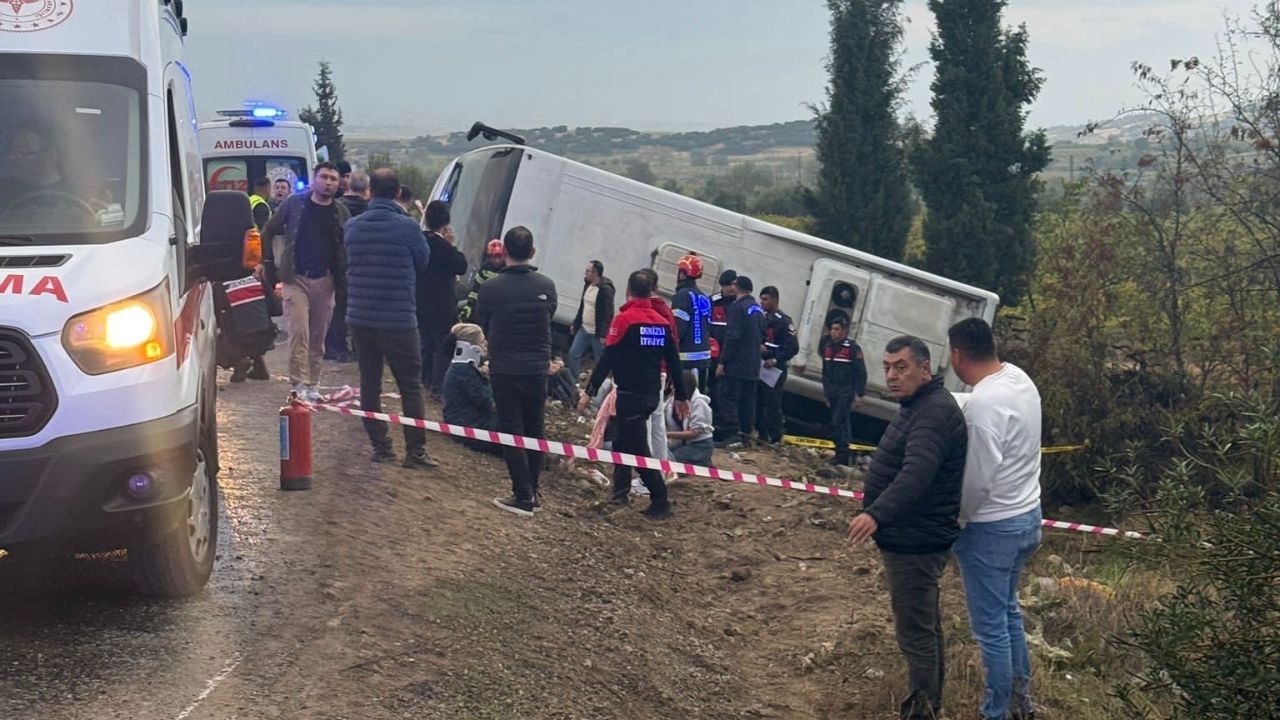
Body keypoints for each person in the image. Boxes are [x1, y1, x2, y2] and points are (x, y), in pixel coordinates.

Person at [847, 336, 968, 720]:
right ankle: (929, 705)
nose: (892, 376)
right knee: (925, 628)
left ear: (925, 369)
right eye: (886, 367)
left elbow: (917, 473)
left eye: (901, 367)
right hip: (914, 535)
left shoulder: (932, 412)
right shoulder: (918, 405)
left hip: (916, 541)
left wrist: (876, 514)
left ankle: (921, 712)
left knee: (916, 634)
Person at [947, 318, 1043, 720]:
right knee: (1007, 613)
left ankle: (996, 712)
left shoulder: (984, 404)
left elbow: (979, 478)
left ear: (956, 354)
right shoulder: (1019, 379)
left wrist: (959, 519)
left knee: (990, 631)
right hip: (1027, 514)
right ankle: (1023, 702)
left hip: (992, 526)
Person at [343, 167, 436, 468]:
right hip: (398, 318)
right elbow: (423, 262)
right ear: (398, 193)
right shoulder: (408, 227)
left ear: (370, 191)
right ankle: (415, 453)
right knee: (410, 385)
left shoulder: (353, 226)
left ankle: (381, 447)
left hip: (361, 316)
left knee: (370, 383)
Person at [580, 269, 688, 519]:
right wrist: (681, 395)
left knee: (638, 451)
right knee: (621, 441)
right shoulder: (662, 322)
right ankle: (620, 494)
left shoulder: (625, 319)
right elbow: (674, 361)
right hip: (651, 393)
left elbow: (609, 357)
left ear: (629, 290)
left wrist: (590, 390)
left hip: (630, 394)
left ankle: (661, 500)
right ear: (652, 291)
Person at [474, 226, 558, 516]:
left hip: (505, 367)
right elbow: (548, 316)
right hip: (536, 367)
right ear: (532, 252)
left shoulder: (490, 287)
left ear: (504, 252)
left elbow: (481, 321)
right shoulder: (546, 286)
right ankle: (532, 490)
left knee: (512, 430)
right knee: (535, 428)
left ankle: (522, 495)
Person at [262, 162, 349, 401]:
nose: (328, 182)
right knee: (299, 332)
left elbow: (346, 245)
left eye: (333, 178)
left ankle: (313, 384)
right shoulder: (295, 204)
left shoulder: (340, 212)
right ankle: (297, 385)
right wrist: (268, 264)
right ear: (314, 179)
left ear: (338, 183)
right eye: (324, 177)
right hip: (296, 277)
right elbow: (269, 230)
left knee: (318, 336)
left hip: (326, 280)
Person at [418, 200, 469, 396]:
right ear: (446, 222)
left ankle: (424, 378)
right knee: (442, 344)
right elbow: (461, 265)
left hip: (420, 299)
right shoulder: (444, 247)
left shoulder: (419, 241)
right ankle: (438, 385)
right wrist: (451, 244)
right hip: (442, 303)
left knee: (425, 341)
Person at [715, 275, 765, 448]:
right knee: (747, 401)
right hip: (753, 365)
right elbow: (762, 335)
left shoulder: (737, 307)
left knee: (727, 397)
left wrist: (723, 362)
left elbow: (732, 336)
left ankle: (732, 434)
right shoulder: (757, 309)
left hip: (737, 363)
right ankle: (746, 435)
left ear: (737, 287)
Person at [326, 170, 371, 362]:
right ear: (367, 189)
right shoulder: (370, 210)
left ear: (348, 185)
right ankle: (359, 348)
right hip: (364, 267)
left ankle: (336, 348)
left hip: (337, 264)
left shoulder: (335, 207)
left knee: (337, 308)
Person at [442, 323, 500, 454]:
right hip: (469, 427)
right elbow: (487, 403)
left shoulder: (461, 368)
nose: (486, 345)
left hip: (465, 423)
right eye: (482, 342)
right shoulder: (464, 371)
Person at [820, 316, 868, 467]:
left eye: (837, 329)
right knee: (843, 424)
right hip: (833, 391)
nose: (833, 332)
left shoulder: (852, 348)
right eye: (832, 329)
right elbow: (826, 372)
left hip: (845, 391)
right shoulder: (827, 347)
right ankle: (844, 455)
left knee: (837, 423)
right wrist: (827, 393)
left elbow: (861, 372)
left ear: (844, 331)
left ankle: (841, 454)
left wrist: (859, 394)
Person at [756, 286, 798, 445]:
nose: (762, 303)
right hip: (760, 365)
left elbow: (793, 347)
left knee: (772, 403)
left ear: (774, 299)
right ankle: (761, 433)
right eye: (761, 299)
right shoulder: (762, 317)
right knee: (758, 401)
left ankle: (775, 436)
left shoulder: (784, 321)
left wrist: (776, 359)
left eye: (766, 299)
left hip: (775, 368)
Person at [671, 254, 713, 393]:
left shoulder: (681, 295)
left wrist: (669, 350)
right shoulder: (704, 297)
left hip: (686, 358)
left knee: (683, 398)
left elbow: (678, 328)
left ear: (683, 274)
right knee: (698, 397)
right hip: (704, 357)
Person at [567, 260, 615, 381]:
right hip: (584, 328)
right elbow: (583, 306)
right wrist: (576, 323)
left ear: (596, 273)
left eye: (588, 271)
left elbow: (608, 313)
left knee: (601, 360)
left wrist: (604, 333)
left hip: (597, 332)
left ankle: (600, 386)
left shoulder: (605, 290)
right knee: (573, 353)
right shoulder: (588, 285)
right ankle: (575, 382)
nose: (586, 273)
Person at [666, 369, 714, 466]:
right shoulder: (671, 401)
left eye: (673, 384)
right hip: (684, 443)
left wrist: (666, 434)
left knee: (670, 462)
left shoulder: (699, 403)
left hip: (700, 445)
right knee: (660, 457)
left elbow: (694, 433)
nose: (671, 387)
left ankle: (702, 460)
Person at [707, 269, 737, 411]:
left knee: (727, 390)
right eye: (728, 285)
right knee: (711, 385)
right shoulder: (712, 301)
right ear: (722, 286)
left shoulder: (740, 304)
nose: (731, 288)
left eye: (733, 284)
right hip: (713, 352)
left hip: (731, 354)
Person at [458, 239, 506, 323]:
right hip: (484, 306)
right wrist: (469, 305)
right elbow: (476, 289)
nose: (497, 260)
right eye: (494, 257)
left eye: (499, 256)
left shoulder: (507, 269)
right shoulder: (485, 268)